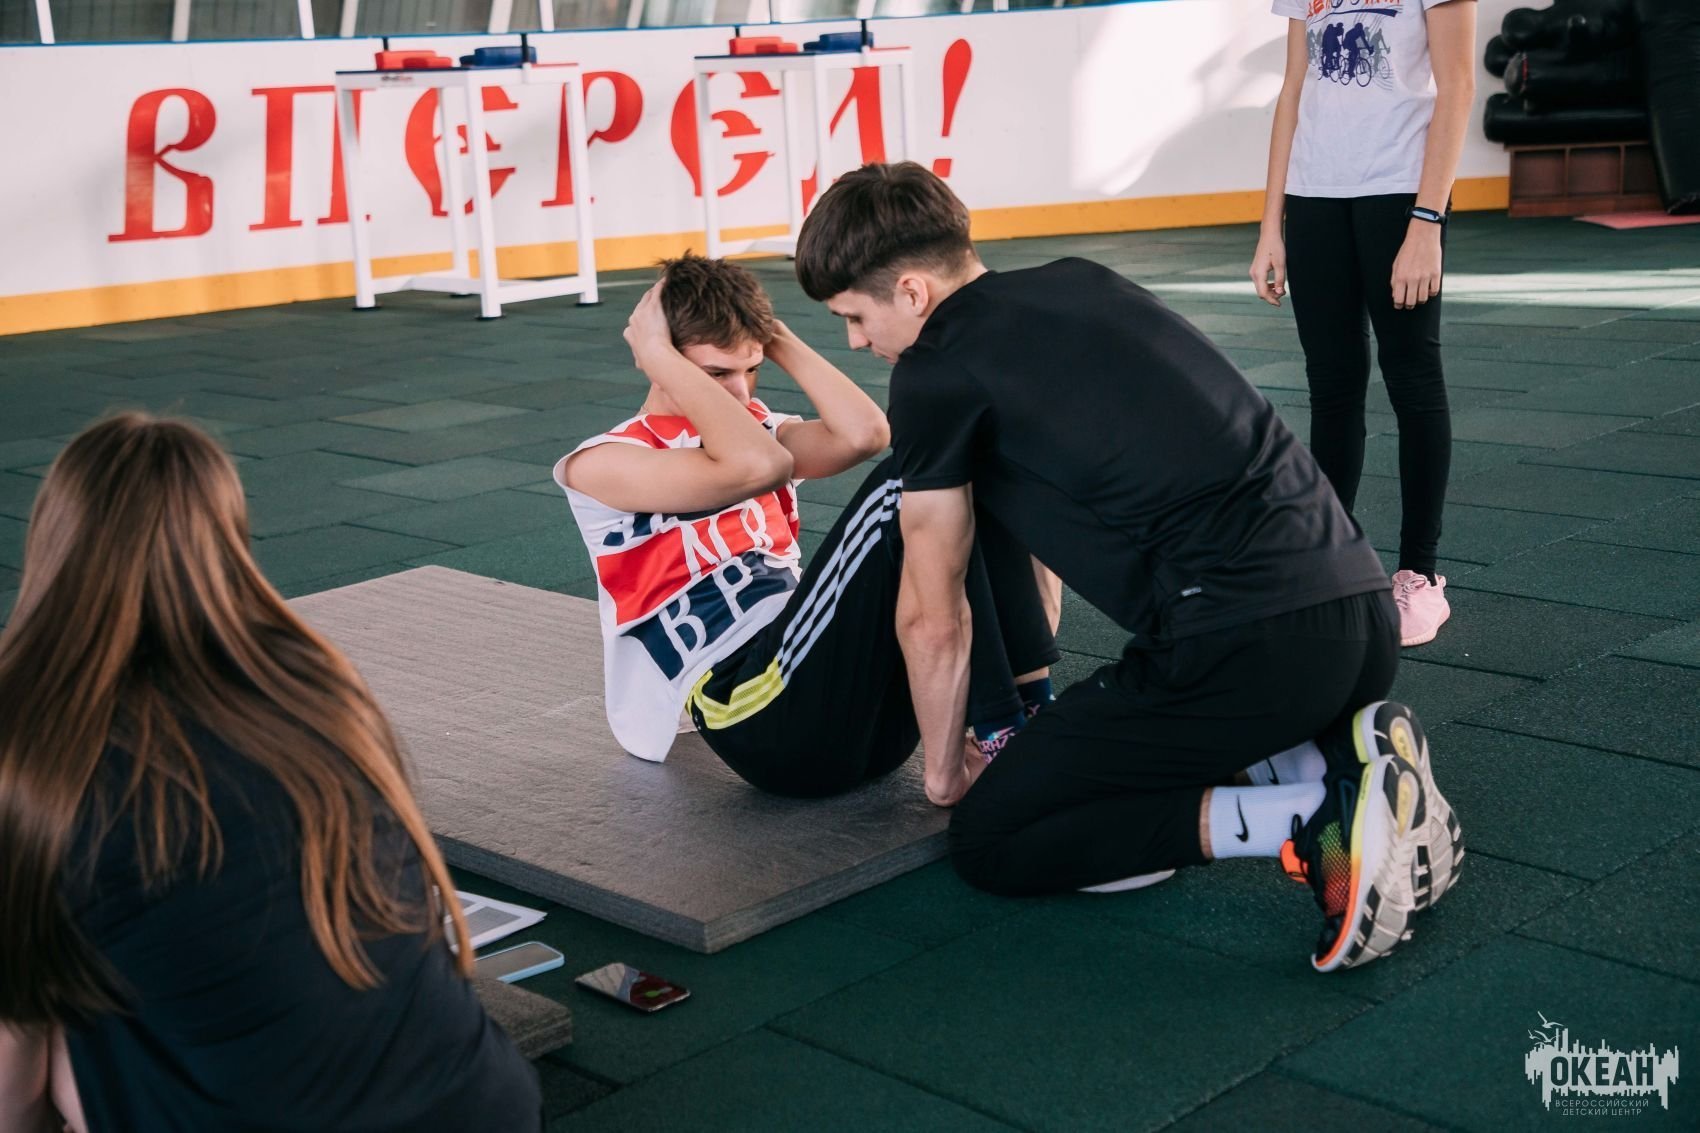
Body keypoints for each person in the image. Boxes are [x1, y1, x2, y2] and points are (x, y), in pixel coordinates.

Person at [794, 162, 1464, 971]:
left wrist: (941, 775)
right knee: (1121, 745)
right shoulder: (1086, 281)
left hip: (1248, 651)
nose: (856, 341)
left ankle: (1317, 816)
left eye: (854, 316)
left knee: (991, 836)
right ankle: (1337, 758)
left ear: (911, 292)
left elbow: (931, 613)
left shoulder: (933, 372)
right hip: (1360, 612)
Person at [0, 415, 541, 1132]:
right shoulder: (315, 687)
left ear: (53, 544)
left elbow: (13, 1067)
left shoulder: (31, 744)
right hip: (482, 1106)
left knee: (57, 1018)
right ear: (228, 544)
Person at [556, 255, 1059, 799]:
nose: (741, 393)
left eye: (751, 369)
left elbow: (865, 435)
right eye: (717, 374)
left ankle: (1027, 711)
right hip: (753, 710)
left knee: (967, 472)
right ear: (662, 361)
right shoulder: (603, 463)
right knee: (906, 489)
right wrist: (655, 352)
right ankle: (996, 734)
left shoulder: (759, 432)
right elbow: (759, 467)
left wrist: (771, 335)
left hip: (864, 719)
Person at [1250, 0, 1478, 646]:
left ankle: (1419, 575)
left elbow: (1458, 84)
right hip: (1315, 196)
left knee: (1412, 377)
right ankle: (1331, 568)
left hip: (1400, 191)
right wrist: (1271, 225)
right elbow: (1293, 89)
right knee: (1332, 387)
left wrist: (1427, 221)